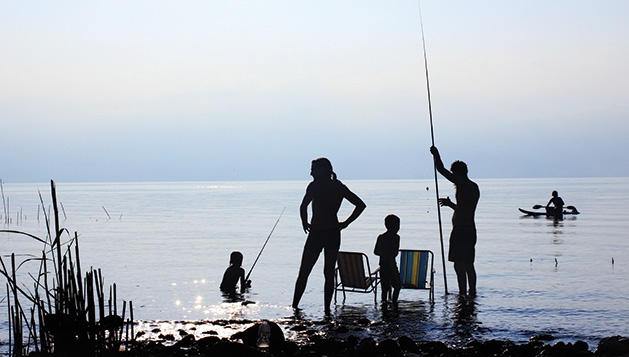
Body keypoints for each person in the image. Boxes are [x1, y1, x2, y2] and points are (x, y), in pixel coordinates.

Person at [292, 157, 366, 314]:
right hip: (333, 232)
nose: (311, 172)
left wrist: (304, 223)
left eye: (313, 169)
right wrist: (345, 223)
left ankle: (295, 306)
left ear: (322, 170)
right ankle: (326, 309)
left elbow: (303, 206)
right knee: (328, 272)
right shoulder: (338, 186)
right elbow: (360, 205)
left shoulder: (314, 186)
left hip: (318, 232)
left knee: (305, 271)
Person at [430, 146, 480, 296]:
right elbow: (465, 208)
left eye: (453, 174)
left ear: (457, 173)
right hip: (470, 229)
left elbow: (441, 170)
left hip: (460, 230)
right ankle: (472, 292)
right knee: (469, 264)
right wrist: (451, 204)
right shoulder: (474, 186)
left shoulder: (463, 184)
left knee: (459, 265)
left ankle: (462, 293)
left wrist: (436, 154)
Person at [374, 214, 402, 304]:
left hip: (383, 264)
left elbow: (375, 252)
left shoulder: (381, 237)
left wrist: (384, 253)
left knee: (384, 288)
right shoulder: (396, 237)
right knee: (397, 286)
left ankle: (384, 304)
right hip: (391, 264)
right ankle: (394, 302)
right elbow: (395, 253)